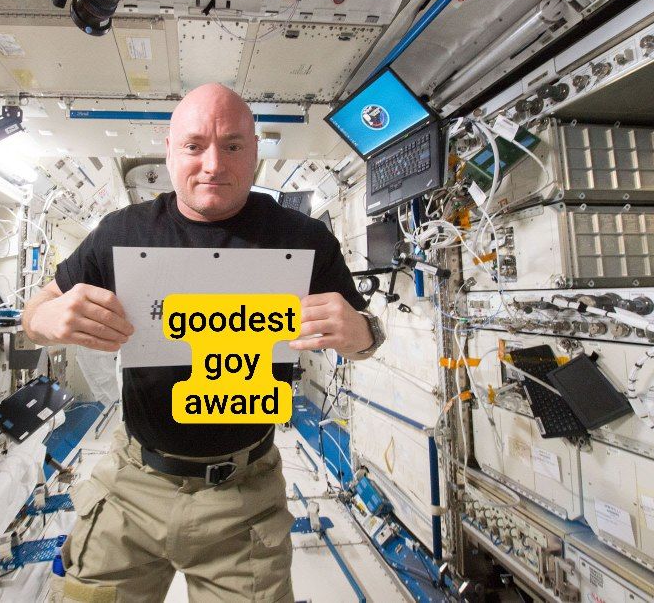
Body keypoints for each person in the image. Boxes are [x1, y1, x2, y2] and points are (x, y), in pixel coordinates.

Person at [23, 83, 384, 602]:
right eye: (194, 146)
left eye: (232, 145)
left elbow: (365, 334)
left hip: (246, 496)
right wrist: (47, 319)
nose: (213, 165)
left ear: (255, 150)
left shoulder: (304, 239)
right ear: (169, 149)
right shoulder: (120, 232)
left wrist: (361, 333)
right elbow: (37, 311)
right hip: (132, 485)